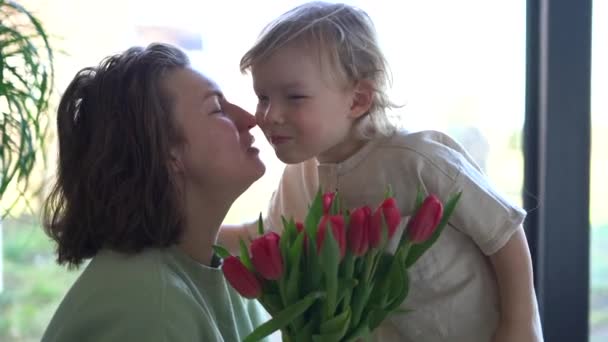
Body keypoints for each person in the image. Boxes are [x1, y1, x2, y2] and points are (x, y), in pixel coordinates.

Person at [218, 2, 543, 342]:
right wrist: (177, 229)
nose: (269, 115)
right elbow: (267, 239)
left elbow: (504, 233)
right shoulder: (300, 176)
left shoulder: (419, 160)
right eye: (262, 96)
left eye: (295, 97)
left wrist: (518, 327)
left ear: (358, 100)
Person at [42, 43, 269, 342]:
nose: (250, 118)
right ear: (165, 152)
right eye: (216, 108)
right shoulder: (148, 309)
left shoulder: (219, 274)